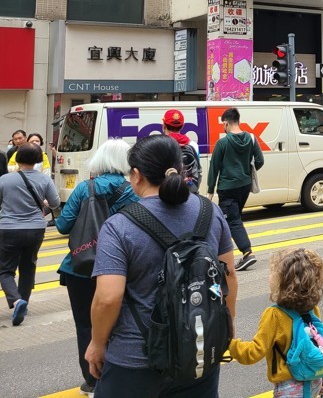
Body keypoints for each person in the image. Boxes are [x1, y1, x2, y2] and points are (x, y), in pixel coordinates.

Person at [86, 135, 238, 397]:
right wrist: (226, 326)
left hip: (136, 360)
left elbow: (108, 298)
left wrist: (97, 344)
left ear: (136, 175)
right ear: (179, 168)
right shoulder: (209, 212)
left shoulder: (119, 226)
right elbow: (229, 275)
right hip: (199, 353)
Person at [56, 140, 138, 396]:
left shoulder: (84, 188)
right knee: (117, 322)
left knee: (85, 325)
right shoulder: (132, 190)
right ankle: (115, 375)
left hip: (79, 267)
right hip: (118, 267)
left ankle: (91, 381)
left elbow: (62, 226)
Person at [229, 247, 323, 398]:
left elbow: (254, 352)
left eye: (273, 272)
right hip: (314, 379)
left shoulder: (274, 315)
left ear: (283, 281)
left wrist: (230, 344)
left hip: (290, 388)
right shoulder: (312, 309)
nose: (269, 276)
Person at [0, 143, 57, 326]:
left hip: (8, 229)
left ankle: (17, 301)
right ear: (39, 159)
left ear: (17, 158)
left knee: (5, 269)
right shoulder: (44, 180)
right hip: (35, 229)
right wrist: (43, 204)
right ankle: (23, 304)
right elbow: (55, 203)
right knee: (28, 266)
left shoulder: (5, 180)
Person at [207, 107, 263, 272]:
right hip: (244, 186)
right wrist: (246, 171)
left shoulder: (223, 143)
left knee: (232, 220)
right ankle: (223, 253)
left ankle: (247, 253)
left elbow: (214, 167)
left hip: (227, 187)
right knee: (234, 217)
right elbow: (259, 161)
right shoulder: (251, 138)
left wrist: (210, 191)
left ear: (225, 123)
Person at [162, 109, 202, 194]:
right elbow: (198, 169)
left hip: (166, 192)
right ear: (182, 126)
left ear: (164, 125)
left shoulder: (159, 144)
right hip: (188, 190)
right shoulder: (193, 145)